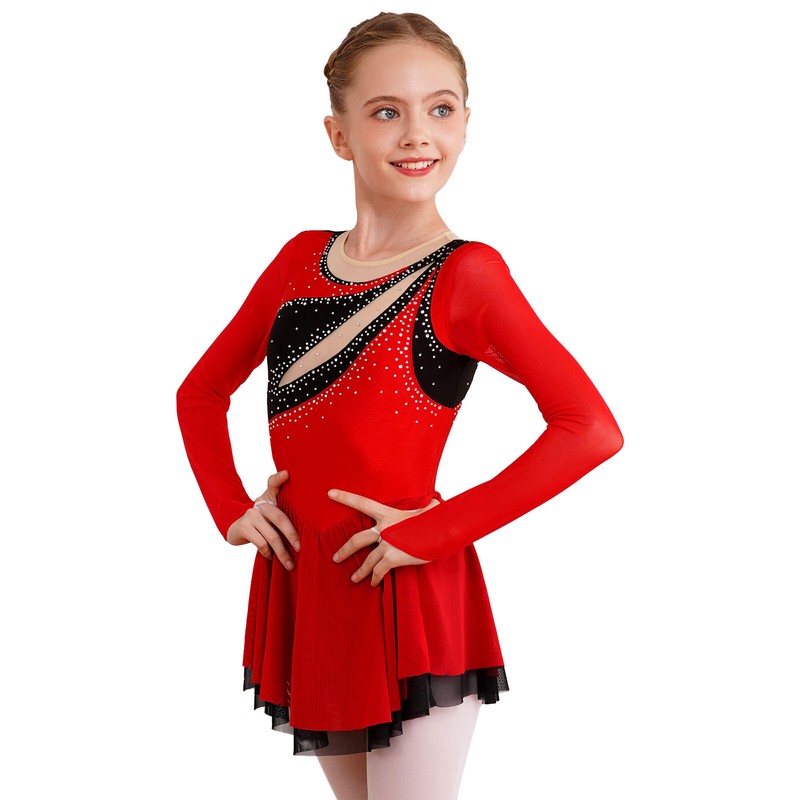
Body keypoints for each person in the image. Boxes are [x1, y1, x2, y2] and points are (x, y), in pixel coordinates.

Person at [176, 11, 623, 799]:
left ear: (465, 123)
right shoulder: (298, 260)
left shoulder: (468, 274)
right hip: (313, 587)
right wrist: (230, 507)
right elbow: (201, 392)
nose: (418, 133)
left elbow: (590, 429)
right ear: (339, 134)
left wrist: (435, 531)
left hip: (407, 589)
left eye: (440, 108)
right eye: (387, 111)